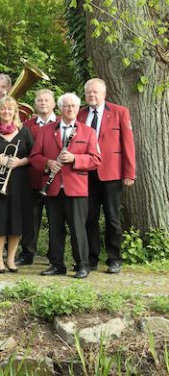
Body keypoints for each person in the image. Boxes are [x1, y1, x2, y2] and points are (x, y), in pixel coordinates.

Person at [30, 93, 101, 279]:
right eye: (67, 106)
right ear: (60, 108)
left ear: (78, 109)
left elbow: (96, 160)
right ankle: (56, 264)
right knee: (55, 228)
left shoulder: (88, 132)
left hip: (76, 187)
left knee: (78, 228)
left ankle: (82, 265)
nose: (70, 109)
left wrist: (75, 158)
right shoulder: (46, 131)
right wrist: (48, 163)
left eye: (74, 106)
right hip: (53, 187)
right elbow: (34, 157)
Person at [78, 78, 136, 274]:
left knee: (112, 218)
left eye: (95, 92)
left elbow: (128, 145)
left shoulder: (120, 112)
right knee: (89, 218)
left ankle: (114, 259)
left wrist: (129, 173)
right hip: (85, 175)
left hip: (111, 174)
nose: (92, 95)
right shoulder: (80, 114)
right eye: (89, 92)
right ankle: (92, 259)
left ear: (104, 94)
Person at [0, 97, 34, 273]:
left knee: (16, 221)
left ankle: (10, 259)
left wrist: (20, 162)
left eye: (10, 109)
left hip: (19, 183)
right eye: (3, 109)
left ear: (15, 112)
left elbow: (34, 156)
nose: (6, 112)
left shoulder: (24, 132)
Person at [17, 89, 57, 266]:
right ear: (35, 104)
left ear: (54, 104)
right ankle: (27, 253)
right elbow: (24, 151)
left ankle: (54, 255)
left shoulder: (64, 124)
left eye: (47, 100)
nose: (43, 103)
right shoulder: (27, 126)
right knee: (31, 219)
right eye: (40, 100)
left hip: (56, 180)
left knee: (56, 219)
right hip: (32, 178)